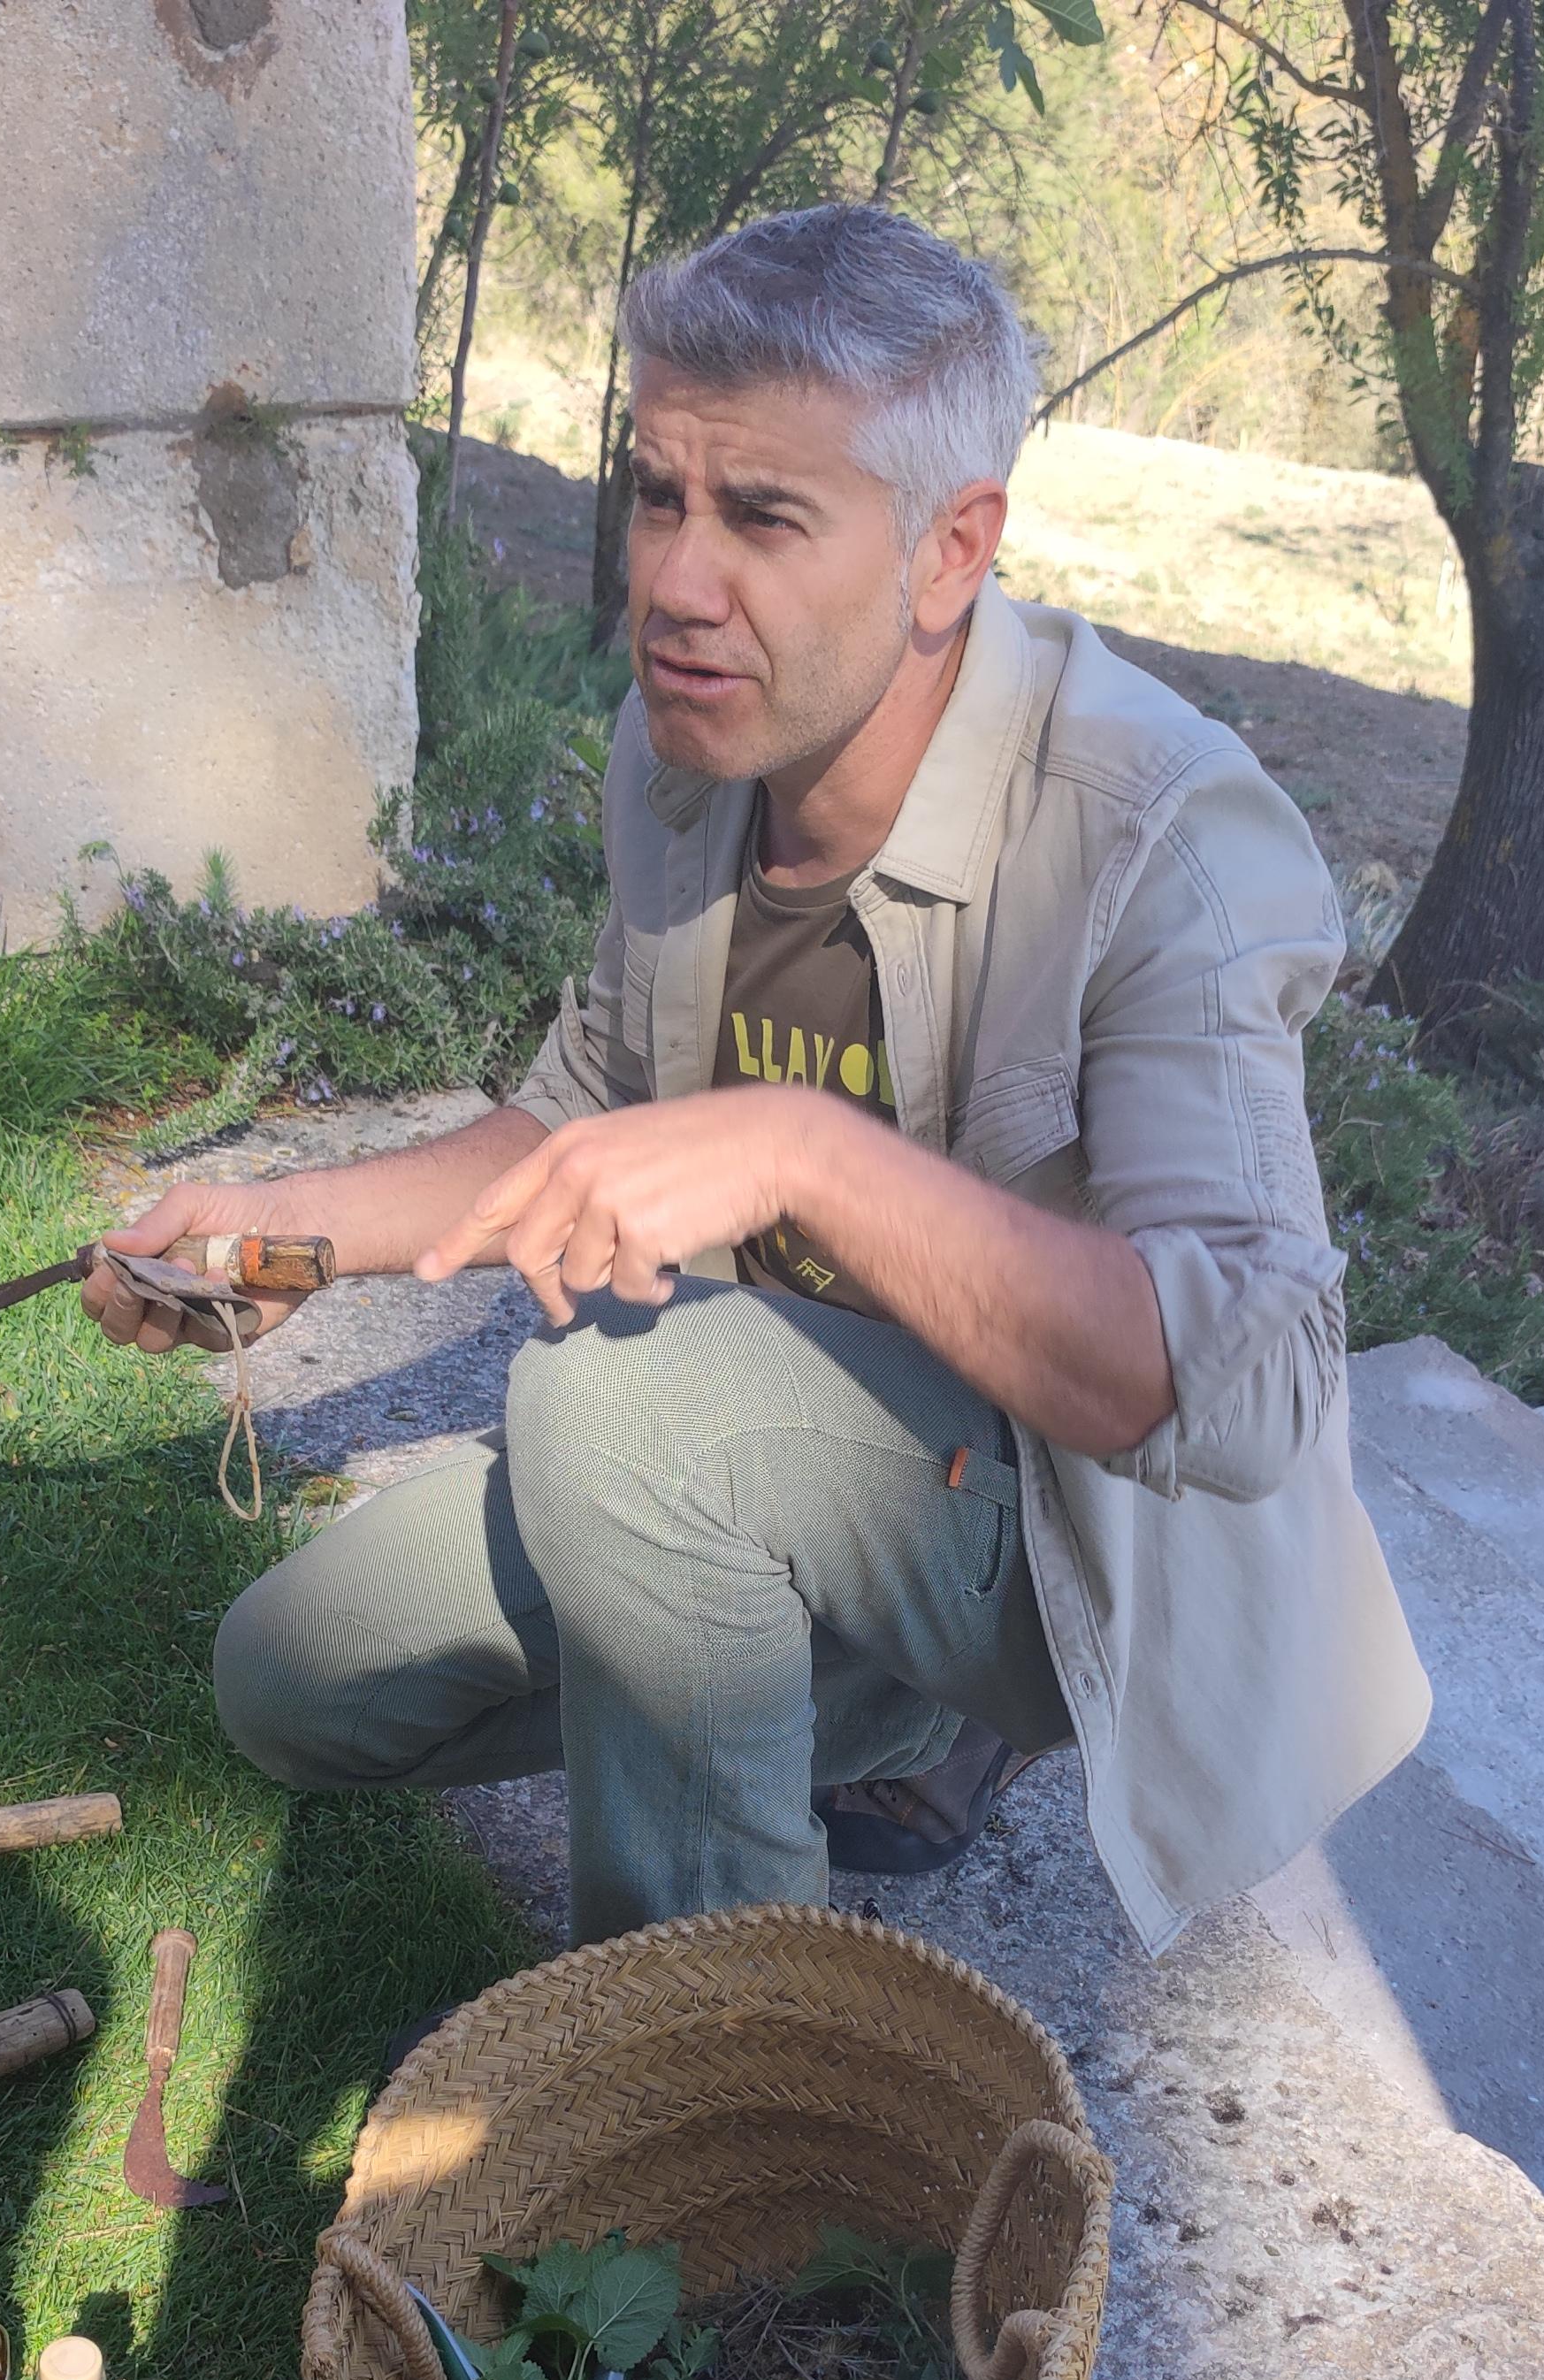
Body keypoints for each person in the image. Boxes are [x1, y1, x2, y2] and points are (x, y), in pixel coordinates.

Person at [89, 204, 1430, 1953]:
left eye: (763, 516)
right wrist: (275, 1236)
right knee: (291, 1681)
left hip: (1055, 1533)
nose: (673, 583)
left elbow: (1247, 1389)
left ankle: (713, 2091)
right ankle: (834, 1699)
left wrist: (799, 1150)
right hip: (769, 1438)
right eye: (660, 495)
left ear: (953, 551)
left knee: (616, 1403)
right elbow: (580, 1108)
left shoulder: (1153, 829)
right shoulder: (695, 739)